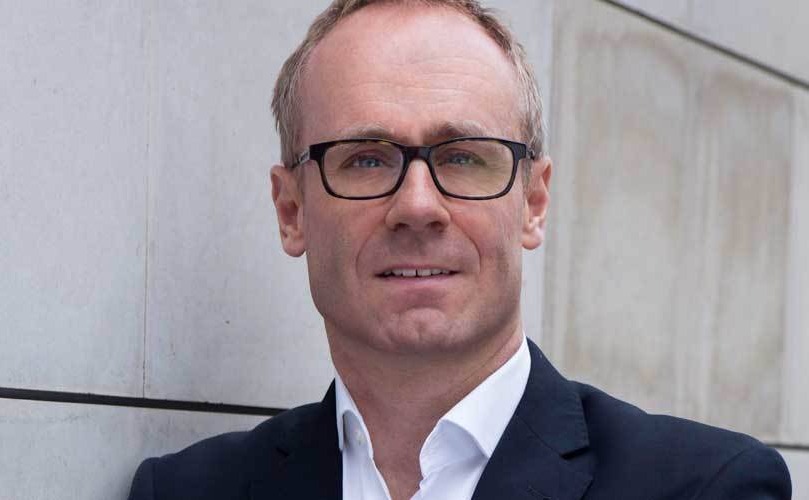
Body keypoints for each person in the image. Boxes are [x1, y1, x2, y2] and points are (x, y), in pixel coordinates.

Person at [128, 1, 792, 499]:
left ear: (533, 202)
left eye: (464, 157)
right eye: (365, 159)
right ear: (291, 211)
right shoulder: (185, 492)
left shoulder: (707, 487)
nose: (418, 206)